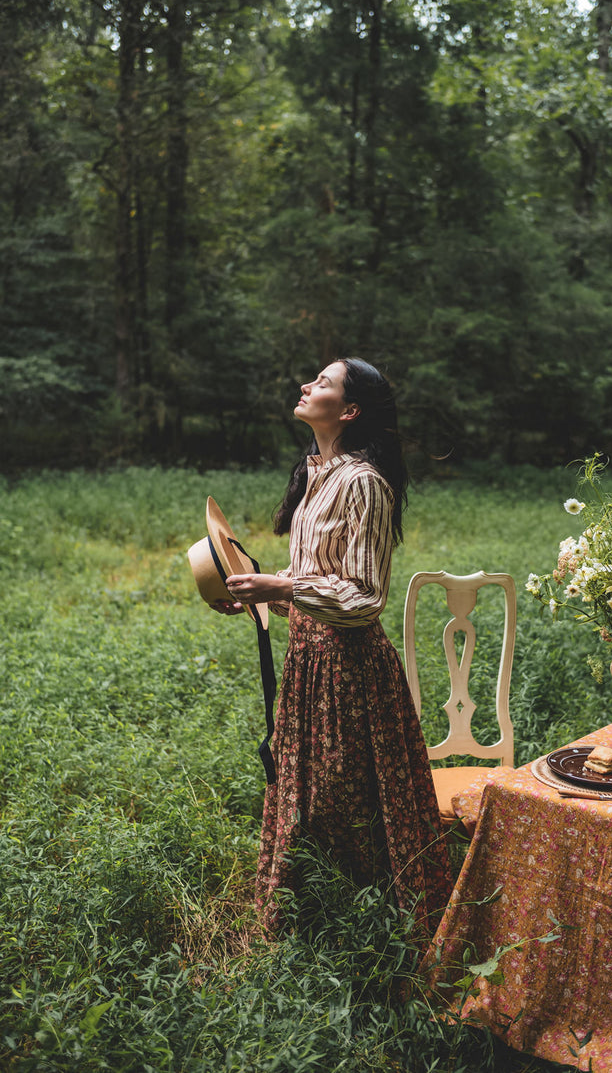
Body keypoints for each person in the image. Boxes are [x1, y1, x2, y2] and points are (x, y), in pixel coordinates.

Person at [213, 357, 452, 937]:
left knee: (343, 799)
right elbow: (315, 576)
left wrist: (282, 586)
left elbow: (363, 597)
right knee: (305, 790)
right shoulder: (317, 473)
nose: (305, 385)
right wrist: (259, 594)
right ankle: (309, 920)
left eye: (322, 382)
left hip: (348, 669)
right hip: (308, 659)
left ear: (348, 411)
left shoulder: (364, 483)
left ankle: (363, 928)